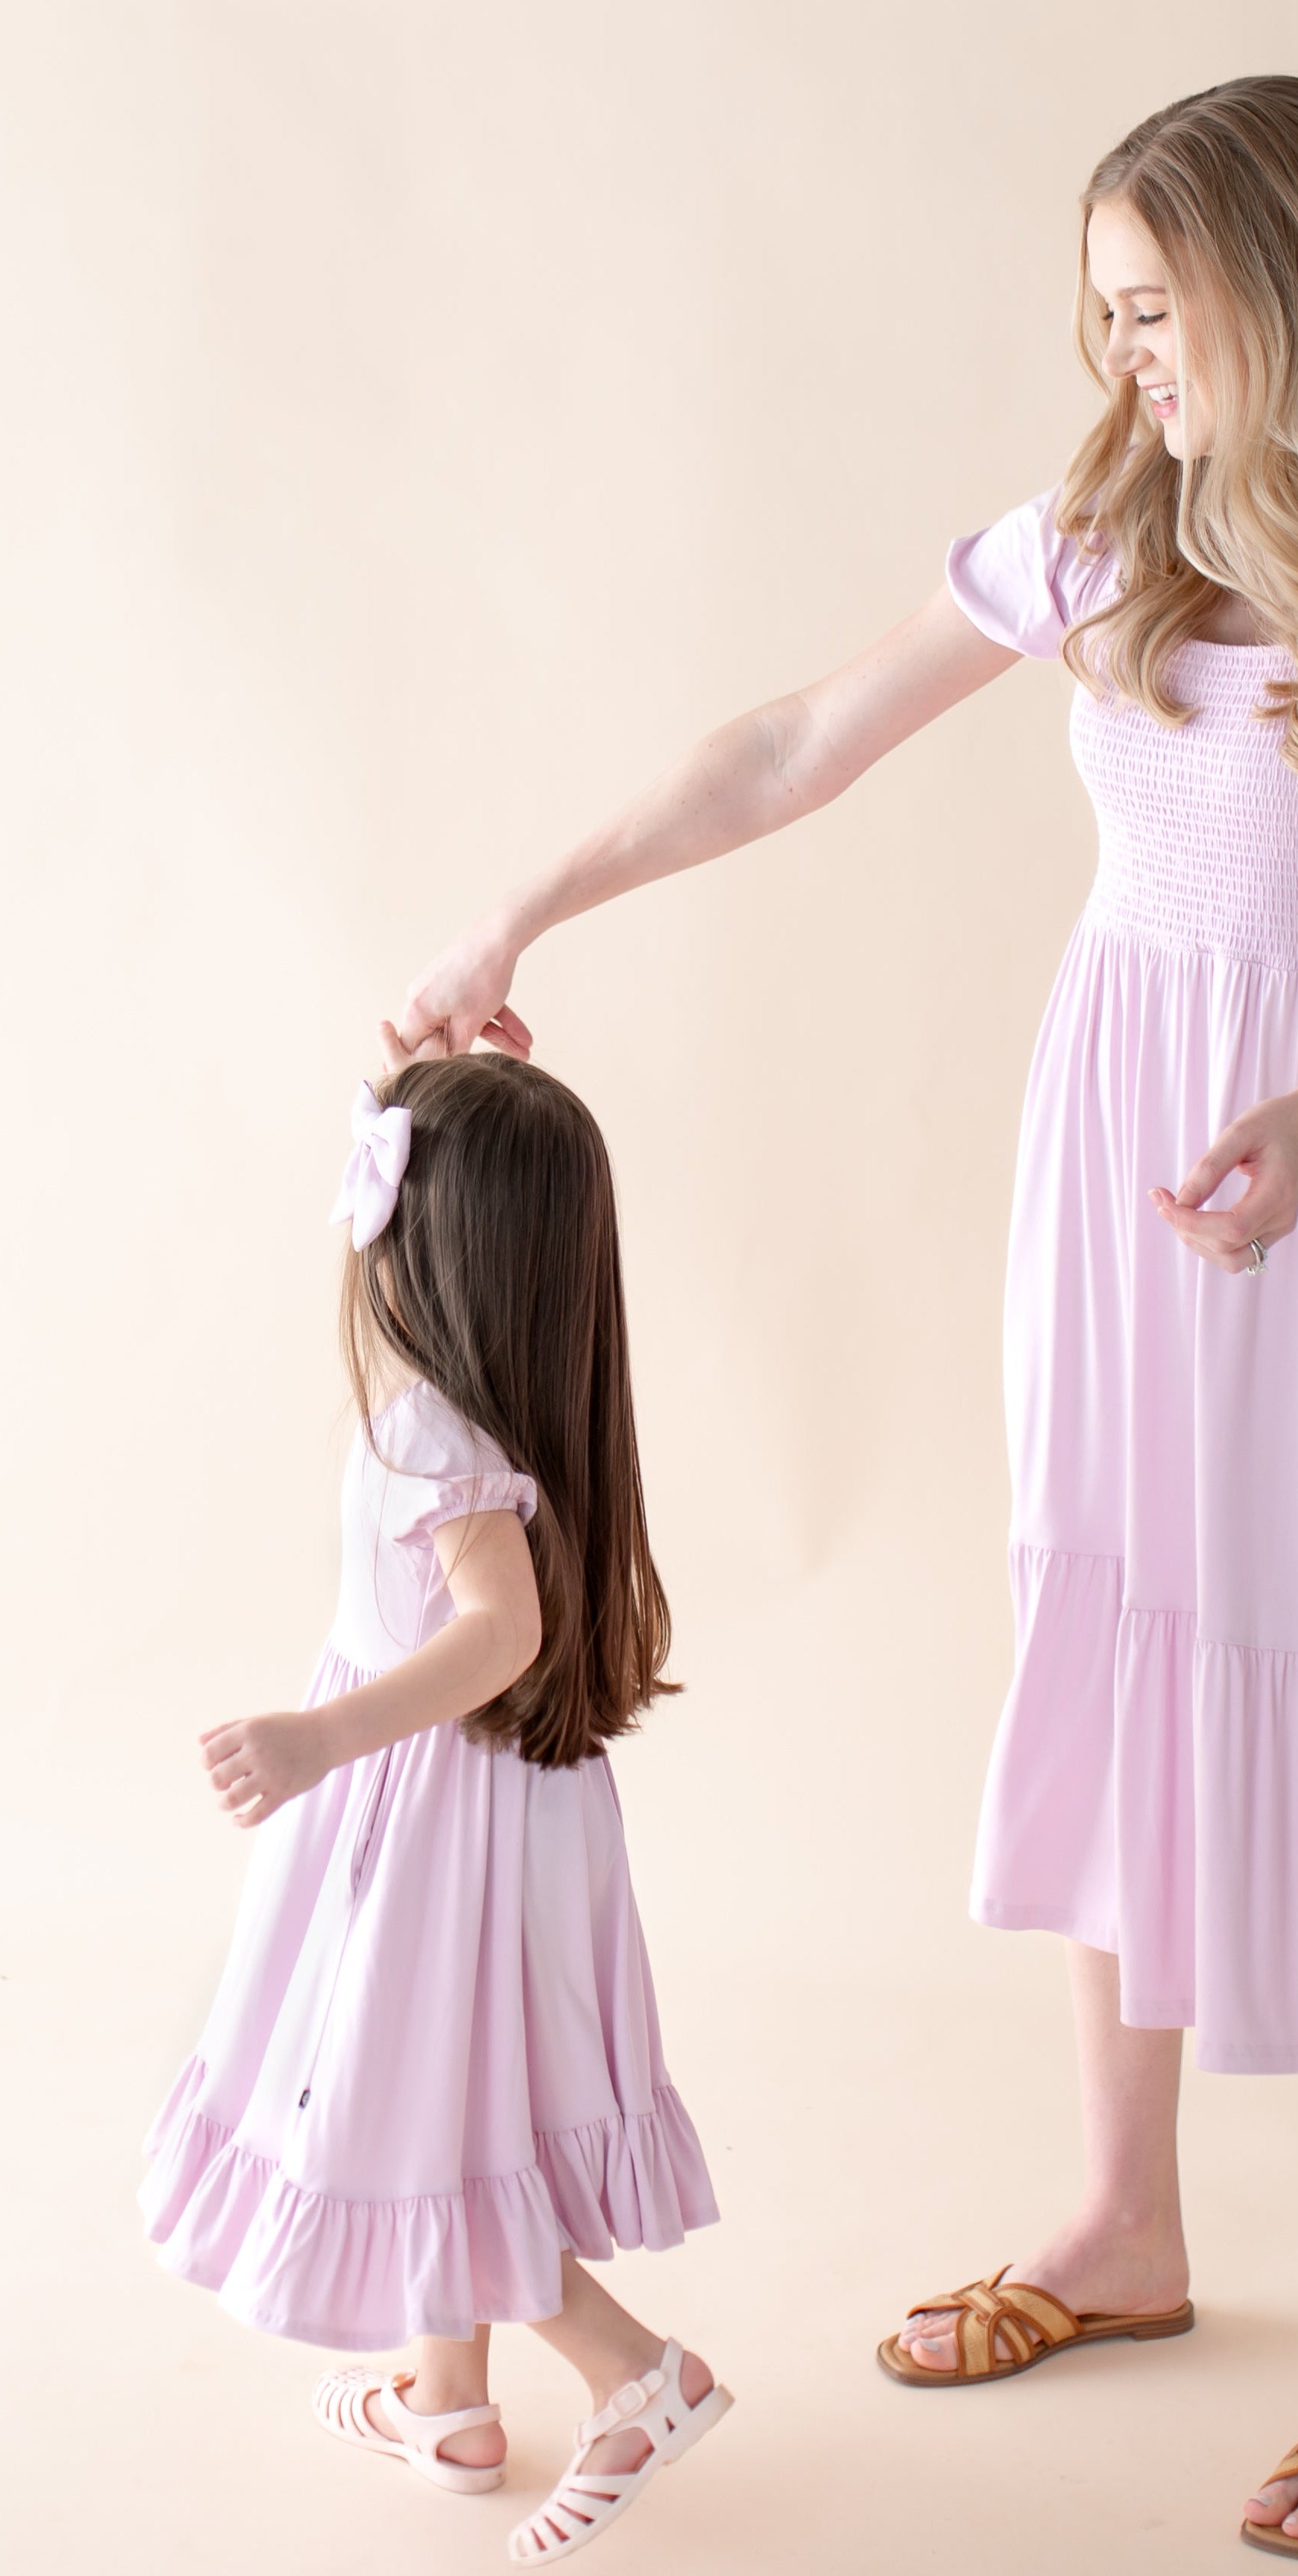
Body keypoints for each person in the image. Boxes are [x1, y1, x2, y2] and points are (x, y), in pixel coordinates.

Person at [388, 75, 1298, 2559]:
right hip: (1108, 1163)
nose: (1128, 353)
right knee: (1123, 1632)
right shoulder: (1114, 526)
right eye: (1107, 311)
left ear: (1295, 275)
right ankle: (1124, 2221)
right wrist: (529, 910)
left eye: (1162, 307)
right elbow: (799, 740)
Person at [140, 1052, 732, 2566]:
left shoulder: (428, 1430)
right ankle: (445, 2393)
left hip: (428, 1820)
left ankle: (635, 2374)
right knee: (447, 2101)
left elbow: (500, 1634)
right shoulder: (483, 1416)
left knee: (422, 2111)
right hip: (486, 1813)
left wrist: (319, 1736)